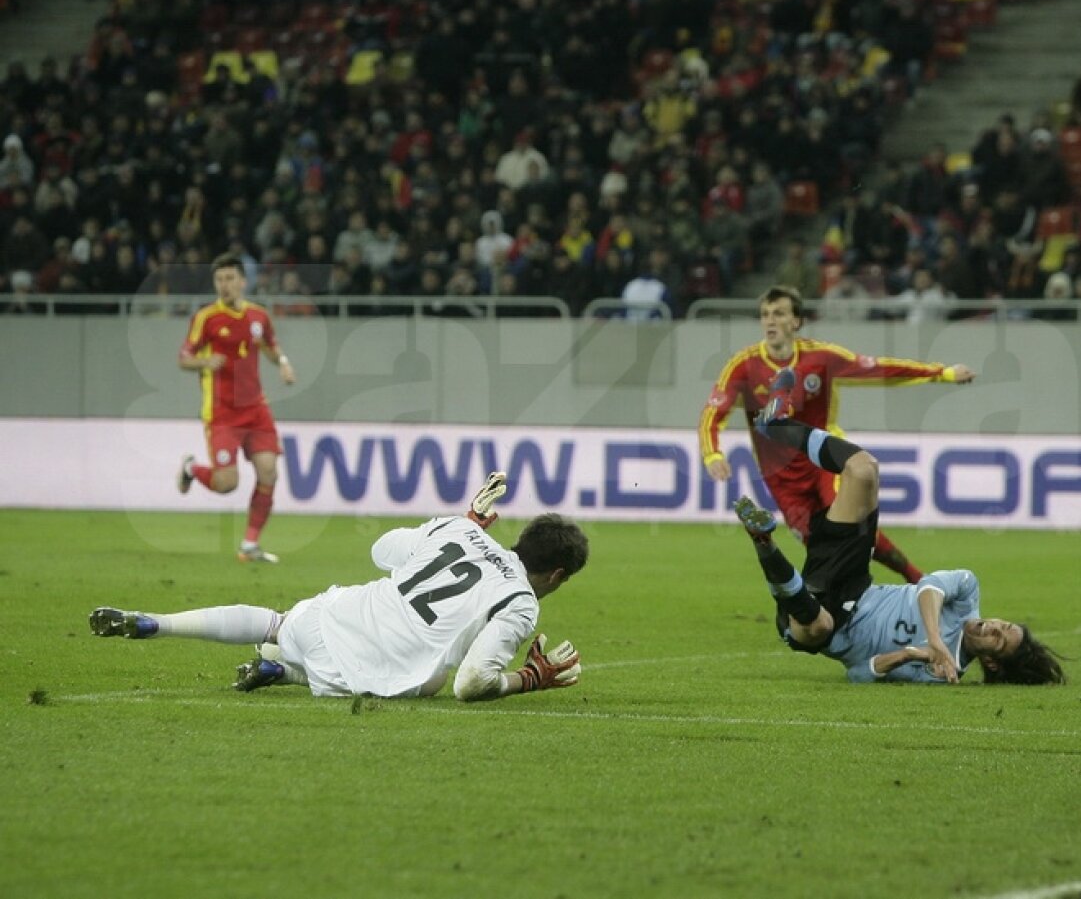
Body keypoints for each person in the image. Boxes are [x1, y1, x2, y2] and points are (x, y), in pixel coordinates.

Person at [89, 474, 591, 701]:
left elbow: (381, 551)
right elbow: (471, 684)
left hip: (333, 616)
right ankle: (283, 673)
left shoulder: (462, 529)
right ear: (557, 577)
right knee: (436, 676)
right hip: (372, 679)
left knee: (276, 622)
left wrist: (461, 523)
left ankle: (162, 623)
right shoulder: (521, 601)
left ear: (520, 538)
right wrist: (529, 679)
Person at [733, 380, 1065, 685]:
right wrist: (934, 641)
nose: (993, 626)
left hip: (827, 627)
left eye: (999, 639)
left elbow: (859, 674)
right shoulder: (967, 594)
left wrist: (909, 654)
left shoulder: (940, 673)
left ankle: (763, 542)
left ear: (992, 664)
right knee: (864, 469)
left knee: (819, 625)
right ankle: (774, 425)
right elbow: (928, 588)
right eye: (1003, 624)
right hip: (852, 580)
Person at [700, 285, 976, 584]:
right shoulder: (743, 366)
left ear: (796, 322)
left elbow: (880, 369)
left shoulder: (822, 357)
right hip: (780, 477)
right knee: (821, 546)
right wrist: (712, 453)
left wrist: (941, 373)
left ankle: (919, 581)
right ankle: (860, 601)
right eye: (765, 314)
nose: (770, 321)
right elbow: (712, 414)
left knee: (849, 527)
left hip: (823, 461)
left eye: (778, 313)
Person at [176, 253, 296, 563]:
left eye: (230, 279)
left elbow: (271, 345)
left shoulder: (259, 316)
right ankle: (191, 468)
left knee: (268, 472)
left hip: (256, 409)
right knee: (227, 484)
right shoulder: (206, 318)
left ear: (243, 282)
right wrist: (204, 361)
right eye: (220, 280)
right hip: (221, 414)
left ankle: (249, 545)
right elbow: (184, 357)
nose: (225, 285)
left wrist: (283, 363)